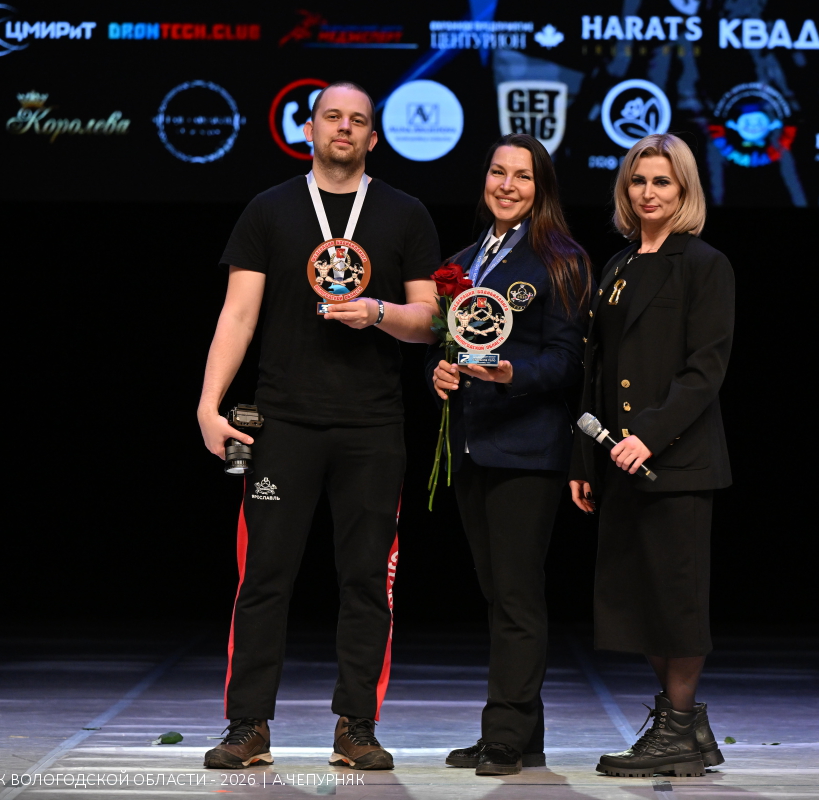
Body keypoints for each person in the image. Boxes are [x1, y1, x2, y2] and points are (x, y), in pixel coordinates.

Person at [196, 81, 441, 771]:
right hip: (282, 425)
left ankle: (356, 726)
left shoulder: (404, 212)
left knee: (367, 580)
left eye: (358, 120)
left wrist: (378, 313)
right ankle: (247, 725)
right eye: (332, 116)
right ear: (309, 129)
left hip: (372, 427)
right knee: (263, 578)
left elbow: (432, 321)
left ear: (373, 138)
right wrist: (209, 405)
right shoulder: (269, 208)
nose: (344, 128)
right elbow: (238, 314)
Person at [569, 133, 734, 778]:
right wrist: (585, 461)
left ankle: (677, 730)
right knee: (639, 603)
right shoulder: (617, 265)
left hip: (675, 462)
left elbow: (705, 369)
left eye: (662, 181)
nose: (648, 193)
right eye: (638, 181)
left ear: (684, 189)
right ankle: (687, 728)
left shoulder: (704, 264)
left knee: (676, 602)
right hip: (618, 462)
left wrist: (650, 434)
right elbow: (596, 370)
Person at [429, 133, 591, 776]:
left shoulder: (562, 259)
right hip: (473, 445)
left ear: (540, 187)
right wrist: (441, 372)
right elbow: (447, 345)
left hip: (528, 448)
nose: (506, 185)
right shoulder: (463, 263)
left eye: (522, 176)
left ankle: (502, 733)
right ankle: (524, 736)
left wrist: (509, 374)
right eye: (498, 172)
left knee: (518, 596)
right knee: (500, 596)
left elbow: (568, 362)